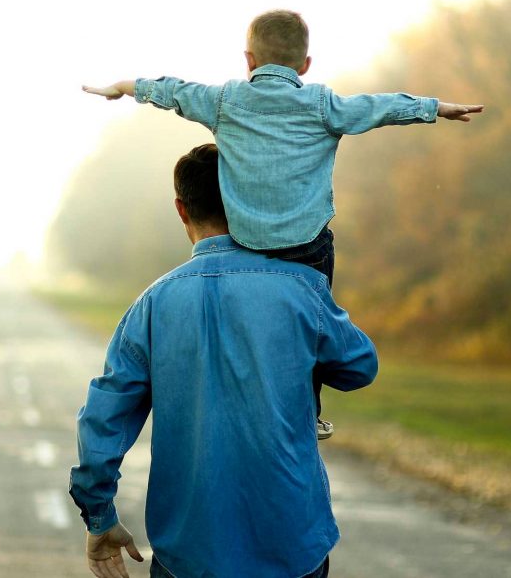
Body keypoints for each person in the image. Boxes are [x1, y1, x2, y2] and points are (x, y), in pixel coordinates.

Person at [83, 9, 483, 439]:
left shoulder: (225, 101)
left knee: (242, 313)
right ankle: (307, 412)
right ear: (305, 65)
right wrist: (435, 108)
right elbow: (378, 108)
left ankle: (237, 391)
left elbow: (174, 91)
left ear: (249, 59)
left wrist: (124, 88)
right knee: (311, 327)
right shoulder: (323, 104)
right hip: (307, 247)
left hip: (246, 243)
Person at [68, 143, 378, 578]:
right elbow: (360, 367)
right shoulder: (301, 288)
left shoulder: (153, 305)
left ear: (181, 209)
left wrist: (98, 516)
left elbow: (102, 422)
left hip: (188, 556)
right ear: (249, 197)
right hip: (293, 547)